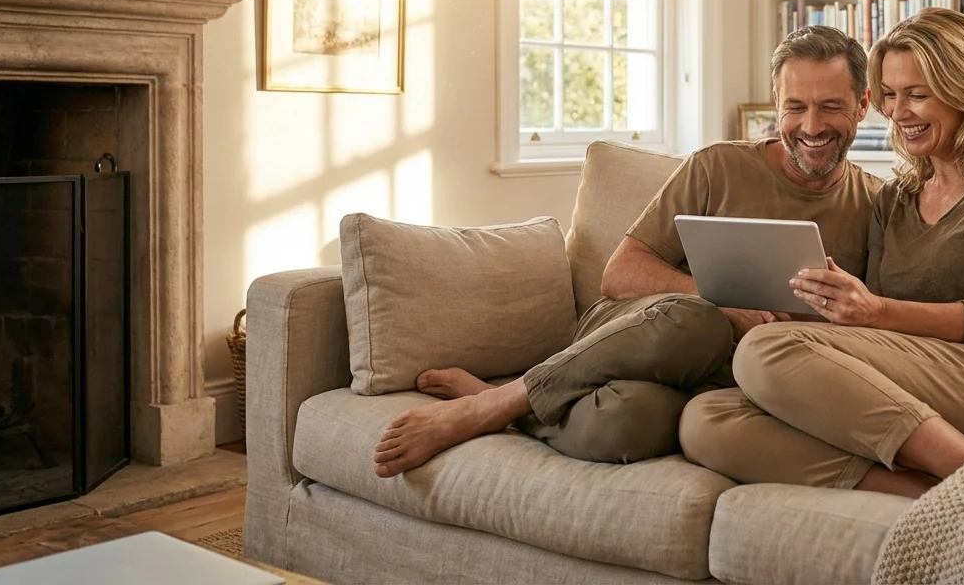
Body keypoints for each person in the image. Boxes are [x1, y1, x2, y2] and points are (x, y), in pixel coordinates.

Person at [371, 25, 884, 478]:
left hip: (727, 378)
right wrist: (722, 305)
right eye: (795, 107)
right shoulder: (717, 167)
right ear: (777, 102)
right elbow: (619, 275)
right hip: (641, 331)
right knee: (700, 321)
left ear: (862, 105)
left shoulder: (876, 205)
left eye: (830, 106)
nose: (811, 126)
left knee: (628, 426)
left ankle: (506, 401)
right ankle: (489, 407)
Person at [678, 7, 964, 499]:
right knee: (707, 418)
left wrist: (875, 311)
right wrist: (828, 308)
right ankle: (926, 492)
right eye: (890, 94)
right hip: (921, 375)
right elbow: (877, 337)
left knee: (766, 350)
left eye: (917, 94)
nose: (898, 111)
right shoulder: (894, 198)